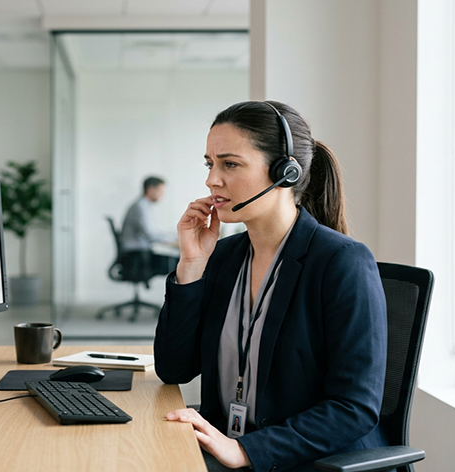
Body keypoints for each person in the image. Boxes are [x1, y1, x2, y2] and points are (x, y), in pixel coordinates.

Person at [154, 101, 388, 471]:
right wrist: (191, 266)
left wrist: (247, 451)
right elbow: (174, 368)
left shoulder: (341, 262)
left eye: (229, 164)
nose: (212, 179)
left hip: (308, 461)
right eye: (209, 164)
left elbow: (354, 407)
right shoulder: (225, 257)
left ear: (285, 172)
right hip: (229, 449)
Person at [120, 176, 178, 276]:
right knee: (179, 263)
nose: (162, 194)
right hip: (137, 257)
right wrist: (174, 241)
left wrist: (174, 237)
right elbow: (151, 235)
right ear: (151, 189)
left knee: (178, 260)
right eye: (160, 190)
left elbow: (153, 233)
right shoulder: (141, 207)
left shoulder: (143, 205)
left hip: (139, 254)